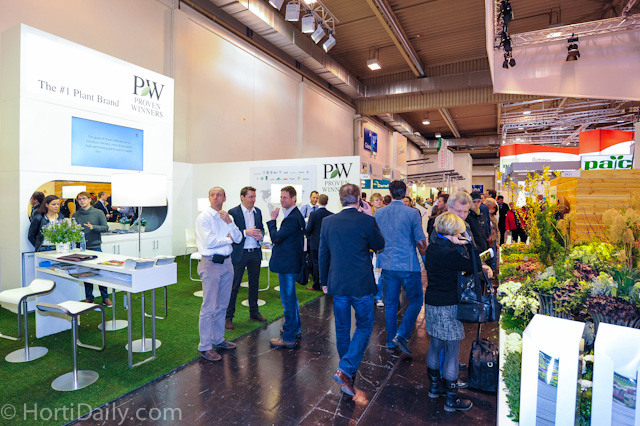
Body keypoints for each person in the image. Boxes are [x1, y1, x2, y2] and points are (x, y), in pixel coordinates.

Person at [319, 184, 385, 397]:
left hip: (338, 282)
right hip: (361, 284)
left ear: (341, 199)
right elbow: (380, 244)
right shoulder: (367, 220)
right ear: (359, 199)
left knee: (342, 328)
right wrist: (370, 215)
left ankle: (345, 370)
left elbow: (323, 253)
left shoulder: (328, 222)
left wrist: (324, 280)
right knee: (364, 326)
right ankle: (346, 369)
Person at [424, 212, 483, 412]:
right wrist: (470, 245)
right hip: (448, 305)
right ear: (454, 231)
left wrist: (456, 243)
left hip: (432, 302)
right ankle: (451, 399)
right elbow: (475, 266)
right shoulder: (450, 253)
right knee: (452, 351)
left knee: (435, 345)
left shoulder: (433, 247)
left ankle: (434, 388)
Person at [374, 180, 427, 355]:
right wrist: (427, 262)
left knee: (390, 303)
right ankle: (402, 334)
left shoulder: (379, 213)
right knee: (417, 300)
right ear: (405, 193)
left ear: (390, 193)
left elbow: (376, 238)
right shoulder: (412, 213)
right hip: (408, 264)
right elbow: (420, 240)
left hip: (388, 264)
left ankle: (391, 342)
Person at [195, 187, 243, 362]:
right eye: (213, 195)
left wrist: (230, 222)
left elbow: (239, 238)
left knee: (222, 305)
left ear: (224, 198)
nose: (216, 197)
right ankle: (205, 346)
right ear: (209, 198)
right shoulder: (204, 218)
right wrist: (228, 239)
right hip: (210, 264)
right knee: (209, 307)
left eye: (219, 195)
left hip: (227, 263)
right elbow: (210, 242)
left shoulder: (227, 217)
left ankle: (218, 338)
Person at [268, 186, 305, 349]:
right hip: (290, 263)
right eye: (281, 197)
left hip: (287, 265)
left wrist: (272, 220)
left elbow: (276, 237)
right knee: (291, 299)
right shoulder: (294, 215)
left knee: (288, 301)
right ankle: (295, 328)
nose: (282, 200)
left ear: (294, 198)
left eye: (285, 197)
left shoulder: (292, 218)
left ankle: (288, 337)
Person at [225, 186, 267, 330]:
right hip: (239, 253)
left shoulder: (258, 212)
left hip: (254, 252)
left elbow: (261, 228)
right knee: (234, 286)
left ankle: (254, 313)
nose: (253, 200)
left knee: (254, 284)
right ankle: (228, 317)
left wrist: (260, 234)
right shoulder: (233, 212)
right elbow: (230, 233)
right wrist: (245, 232)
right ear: (242, 197)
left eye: (254, 197)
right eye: (250, 197)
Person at [73, 191, 111, 306]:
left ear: (90, 199)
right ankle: (89, 297)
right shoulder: (76, 215)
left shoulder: (98, 213)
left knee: (100, 273)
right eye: (79, 199)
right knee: (86, 273)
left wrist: (93, 227)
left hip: (95, 247)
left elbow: (105, 228)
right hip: (81, 249)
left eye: (84, 198)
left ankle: (105, 297)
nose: (82, 201)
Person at [305, 194, 333, 291]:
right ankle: (328, 284)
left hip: (315, 244)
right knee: (327, 264)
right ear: (327, 202)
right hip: (327, 244)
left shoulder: (313, 214)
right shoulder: (331, 215)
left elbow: (308, 230)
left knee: (316, 264)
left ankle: (316, 285)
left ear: (318, 201)